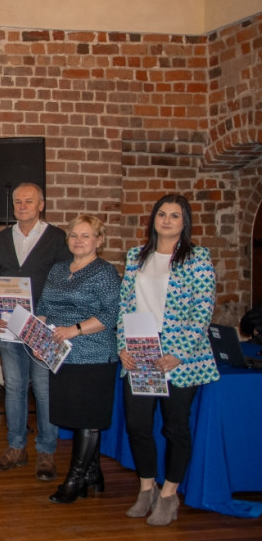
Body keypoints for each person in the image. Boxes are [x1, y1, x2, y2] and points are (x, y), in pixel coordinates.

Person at [117, 194, 219, 526]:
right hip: (141, 350)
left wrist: (179, 352)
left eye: (175, 216)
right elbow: (124, 306)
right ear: (153, 219)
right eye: (162, 214)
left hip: (180, 357)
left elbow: (203, 311)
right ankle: (147, 486)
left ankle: (168, 495)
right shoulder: (136, 256)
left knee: (174, 427)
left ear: (184, 222)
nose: (167, 220)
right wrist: (123, 346)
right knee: (137, 425)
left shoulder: (197, 257)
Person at [0, 182, 69, 480]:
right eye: (18, 202)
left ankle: (46, 452)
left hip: (44, 328)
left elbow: (64, 283)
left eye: (28, 201)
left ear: (41, 204)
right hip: (8, 328)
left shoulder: (58, 238)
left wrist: (48, 316)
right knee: (15, 389)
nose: (22, 206)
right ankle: (16, 448)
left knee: (45, 392)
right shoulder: (2, 239)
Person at [36, 214, 120, 503]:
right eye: (74, 235)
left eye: (86, 235)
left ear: (99, 240)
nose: (79, 240)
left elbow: (112, 315)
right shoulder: (58, 269)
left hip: (94, 354)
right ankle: (93, 472)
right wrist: (38, 334)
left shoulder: (105, 272)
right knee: (77, 416)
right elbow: (45, 305)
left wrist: (75, 329)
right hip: (61, 356)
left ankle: (75, 480)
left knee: (88, 419)